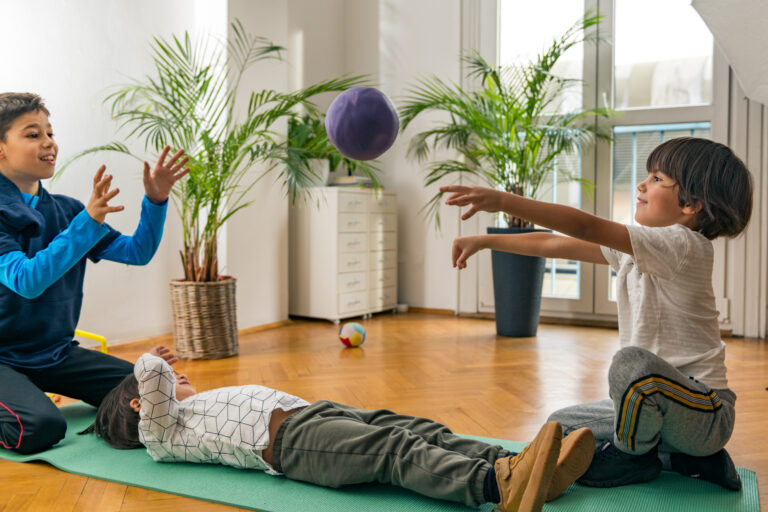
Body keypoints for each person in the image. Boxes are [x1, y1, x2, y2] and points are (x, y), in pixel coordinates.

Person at [442, 137, 752, 491]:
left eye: (657, 179)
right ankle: (685, 460)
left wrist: (502, 200)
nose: (642, 184)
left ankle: (633, 458)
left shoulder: (682, 244)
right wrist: (485, 241)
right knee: (562, 425)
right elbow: (555, 244)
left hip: (705, 413)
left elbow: (585, 227)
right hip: (663, 408)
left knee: (631, 365)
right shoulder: (639, 250)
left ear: (691, 204)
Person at [82, 347, 595, 512]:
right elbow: (150, 371)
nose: (180, 376)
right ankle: (497, 485)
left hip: (313, 413)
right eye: (174, 380)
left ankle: (524, 463)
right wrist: (160, 366)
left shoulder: (189, 408)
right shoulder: (161, 434)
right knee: (392, 449)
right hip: (291, 446)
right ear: (141, 403)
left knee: (415, 427)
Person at [0, 92, 189, 454]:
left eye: (50, 133)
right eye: (32, 134)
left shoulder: (69, 212)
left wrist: (156, 201)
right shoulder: (75, 219)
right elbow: (27, 281)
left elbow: (137, 252)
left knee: (159, 393)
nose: (49, 143)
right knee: (38, 429)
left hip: (53, 354)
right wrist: (86, 224)